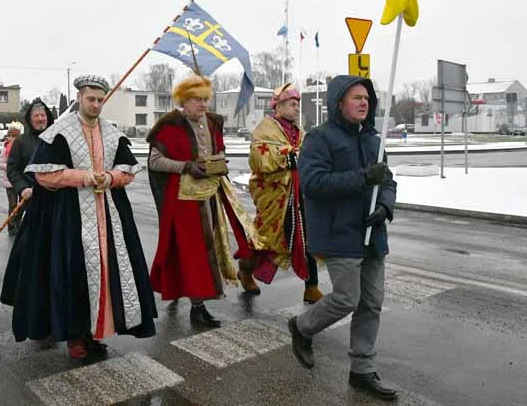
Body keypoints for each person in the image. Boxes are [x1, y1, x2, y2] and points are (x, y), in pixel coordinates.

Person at [1, 74, 156, 362]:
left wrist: (110, 177)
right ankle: (75, 335)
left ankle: (96, 331)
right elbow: (44, 175)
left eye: (100, 100)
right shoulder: (60, 131)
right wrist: (84, 177)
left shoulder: (111, 131)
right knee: (72, 275)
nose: (96, 104)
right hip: (68, 217)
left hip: (108, 215)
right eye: (91, 99)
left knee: (107, 274)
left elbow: (128, 170)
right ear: (80, 98)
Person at [287, 75, 398, 401]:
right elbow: (314, 183)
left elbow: (387, 181)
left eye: (367, 98)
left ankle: (362, 369)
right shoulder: (320, 139)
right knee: (347, 298)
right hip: (339, 232)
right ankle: (302, 327)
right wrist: (364, 178)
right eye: (356, 97)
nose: (364, 102)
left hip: (371, 232)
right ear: (339, 103)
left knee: (371, 303)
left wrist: (385, 207)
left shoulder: (375, 140)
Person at [147, 75, 254, 328]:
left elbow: (220, 151)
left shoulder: (214, 123)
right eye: (197, 100)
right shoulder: (169, 125)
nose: (203, 105)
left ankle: (196, 299)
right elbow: (154, 161)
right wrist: (185, 166)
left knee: (208, 248)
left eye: (205, 99)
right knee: (192, 252)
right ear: (184, 101)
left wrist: (219, 162)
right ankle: (198, 307)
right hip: (182, 200)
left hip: (209, 196)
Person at [246, 83, 323, 303]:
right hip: (276, 196)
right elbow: (257, 159)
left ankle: (311, 286)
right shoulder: (265, 129)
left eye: (297, 104)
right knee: (267, 241)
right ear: (278, 106)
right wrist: (285, 158)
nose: (296, 108)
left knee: (307, 237)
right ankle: (245, 269)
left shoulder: (300, 132)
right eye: (291, 104)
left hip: (301, 196)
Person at [6, 98, 55, 236]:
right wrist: (22, 188)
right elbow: (13, 169)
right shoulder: (21, 142)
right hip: (31, 197)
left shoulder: (57, 139)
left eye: (43, 115)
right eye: (36, 116)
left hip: (56, 198)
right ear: (30, 119)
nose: (40, 119)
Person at [0, 121, 24, 235]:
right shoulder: (5, 149)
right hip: (9, 182)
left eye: (14, 136)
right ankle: (11, 226)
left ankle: (18, 222)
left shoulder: (22, 149)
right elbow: (1, 164)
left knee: (22, 204)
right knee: (13, 204)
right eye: (9, 136)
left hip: (21, 182)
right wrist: (11, 166)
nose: (11, 138)